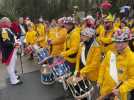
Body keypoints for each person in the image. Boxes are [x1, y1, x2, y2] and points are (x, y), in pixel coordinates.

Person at [97, 27, 134, 100]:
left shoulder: (132, 58)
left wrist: (121, 89)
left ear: (127, 42)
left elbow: (133, 78)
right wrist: (99, 80)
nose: (117, 44)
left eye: (120, 42)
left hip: (118, 94)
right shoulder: (110, 53)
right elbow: (103, 67)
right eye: (116, 41)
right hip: (104, 90)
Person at [0, 17, 23, 85]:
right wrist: (15, 44)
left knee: (12, 66)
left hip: (12, 51)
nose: (10, 23)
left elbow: (12, 38)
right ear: (5, 23)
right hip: (9, 52)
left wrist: (17, 41)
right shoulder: (4, 30)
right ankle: (14, 81)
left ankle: (14, 77)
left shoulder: (7, 29)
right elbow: (6, 42)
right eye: (9, 21)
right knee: (10, 67)